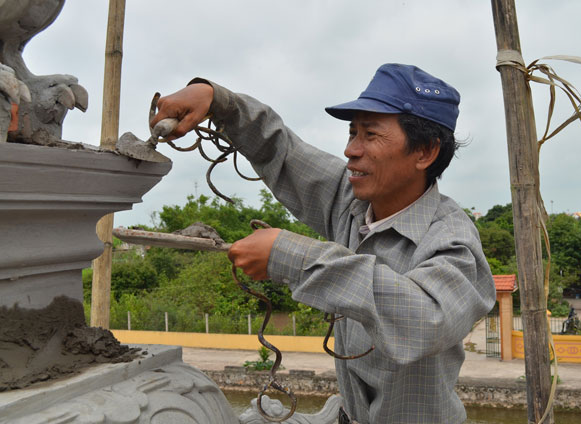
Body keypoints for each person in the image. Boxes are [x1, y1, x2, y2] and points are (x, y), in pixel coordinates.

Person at [152, 63, 496, 424]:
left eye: (370, 135)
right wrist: (216, 98)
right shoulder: (352, 201)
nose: (351, 150)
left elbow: (426, 319)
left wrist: (288, 256)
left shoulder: (453, 240)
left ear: (424, 151)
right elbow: (281, 150)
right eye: (352, 133)